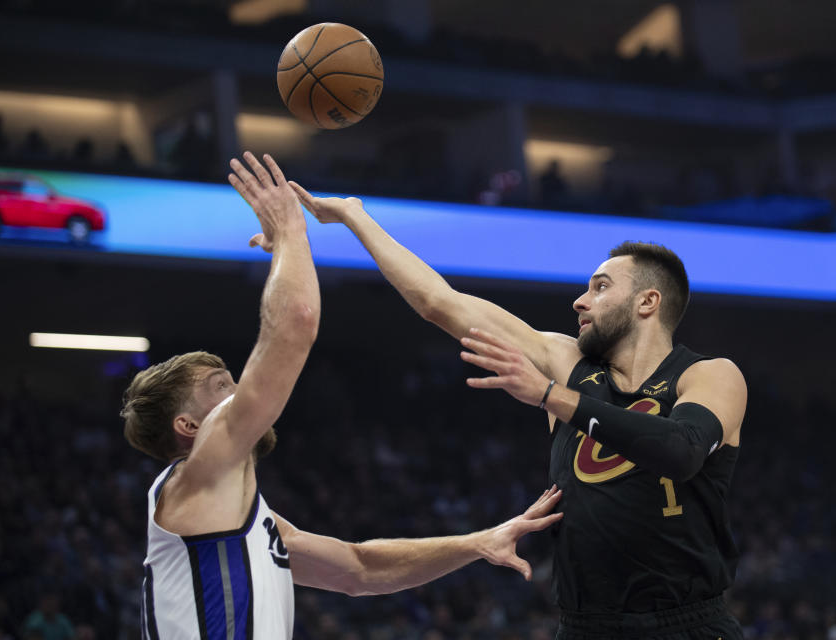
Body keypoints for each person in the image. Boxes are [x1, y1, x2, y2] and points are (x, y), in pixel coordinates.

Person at [120, 152, 563, 639]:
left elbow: (360, 570)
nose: (241, 390)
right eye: (221, 386)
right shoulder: (197, 478)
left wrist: (478, 543)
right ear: (188, 427)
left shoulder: (239, 514)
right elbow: (294, 325)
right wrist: (291, 229)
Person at [284, 186, 747, 640]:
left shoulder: (708, 375)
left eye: (600, 288)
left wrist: (550, 396)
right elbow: (438, 302)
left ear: (648, 302)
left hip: (689, 623)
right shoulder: (565, 362)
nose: (579, 301)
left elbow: (682, 451)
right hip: (586, 625)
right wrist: (354, 216)